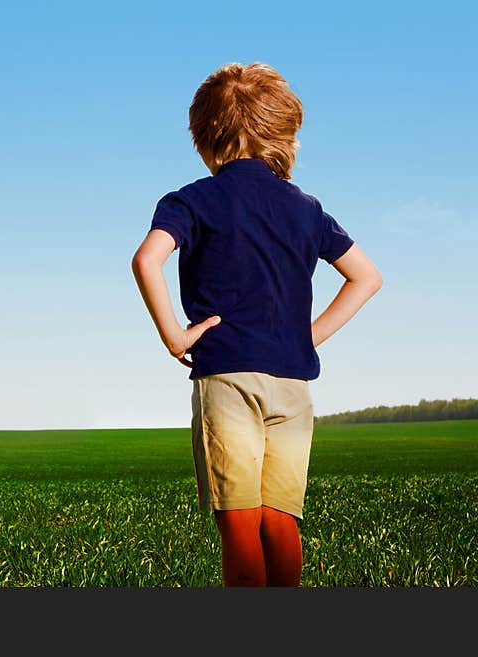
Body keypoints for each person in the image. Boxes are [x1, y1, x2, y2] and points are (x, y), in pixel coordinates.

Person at [131, 62, 382, 587]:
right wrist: (307, 335)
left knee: (239, 523)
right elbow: (366, 277)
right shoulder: (308, 209)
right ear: (282, 131)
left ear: (205, 134)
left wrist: (175, 335)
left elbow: (146, 260)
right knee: (281, 521)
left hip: (228, 378)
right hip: (293, 384)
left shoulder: (192, 200)